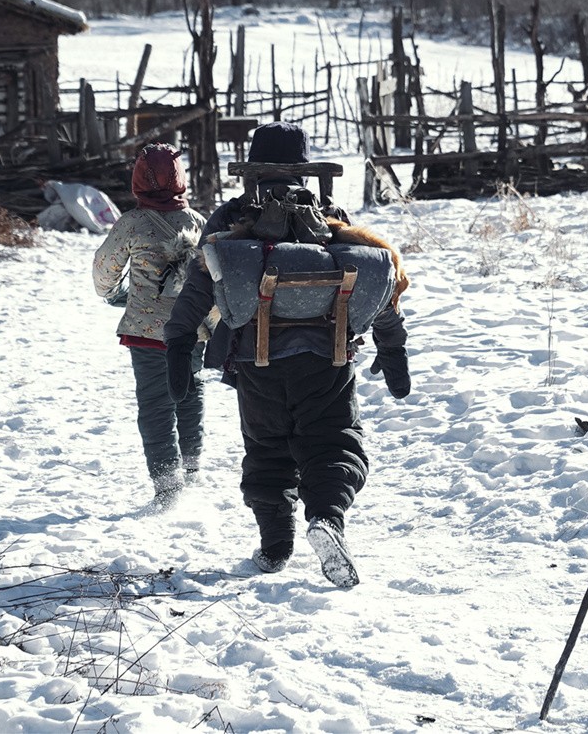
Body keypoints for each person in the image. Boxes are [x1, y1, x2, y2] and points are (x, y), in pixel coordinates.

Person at [163, 121, 410, 587]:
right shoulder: (328, 213)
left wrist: (179, 342)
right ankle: (327, 519)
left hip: (255, 363)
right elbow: (374, 277)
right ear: (302, 168)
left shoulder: (231, 217)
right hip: (328, 358)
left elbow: (199, 283)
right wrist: (392, 345)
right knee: (333, 442)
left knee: (267, 448)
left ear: (252, 169)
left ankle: (276, 544)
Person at [93, 144, 208, 508]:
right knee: (189, 391)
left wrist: (115, 293)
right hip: (193, 327)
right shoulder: (199, 222)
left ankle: (166, 485)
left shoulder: (132, 223)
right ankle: (191, 469)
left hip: (147, 330)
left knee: (156, 403)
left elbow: (104, 269)